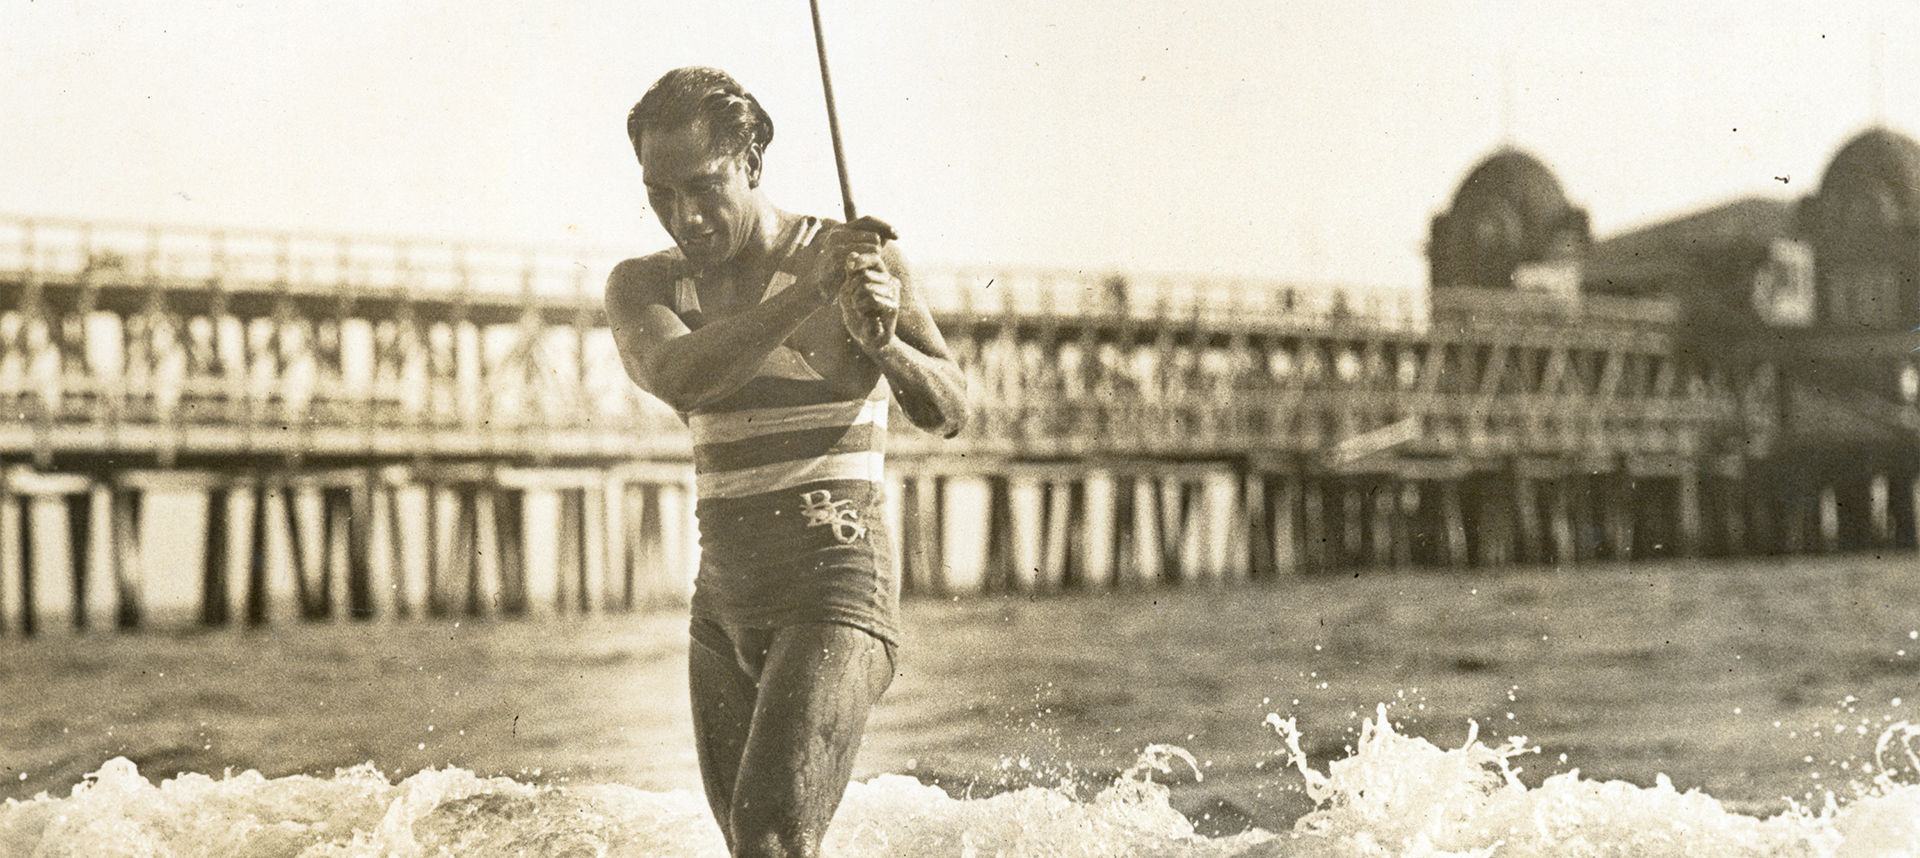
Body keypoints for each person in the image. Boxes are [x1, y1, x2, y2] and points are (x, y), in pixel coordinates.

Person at [604, 67, 969, 858]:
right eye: (660, 193)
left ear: (753, 164)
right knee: (753, 847)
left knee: (769, 839)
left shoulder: (862, 262)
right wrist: (809, 296)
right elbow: (683, 378)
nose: (684, 217)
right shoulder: (643, 287)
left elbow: (950, 411)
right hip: (723, 605)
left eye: (704, 187)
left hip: (837, 587)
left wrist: (885, 348)